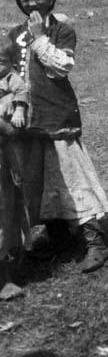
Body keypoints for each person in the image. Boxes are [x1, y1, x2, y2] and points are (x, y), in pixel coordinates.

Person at [8, 0, 108, 273]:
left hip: (57, 116)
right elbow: (8, 70)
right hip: (28, 121)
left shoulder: (61, 30)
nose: (32, 3)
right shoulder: (15, 36)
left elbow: (61, 67)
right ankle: (58, 238)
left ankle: (95, 241)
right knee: (39, 179)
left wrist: (40, 38)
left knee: (71, 175)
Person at [0, 37, 30, 295]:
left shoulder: (11, 82)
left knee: (4, 215)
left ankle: (4, 276)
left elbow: (11, 132)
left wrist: (15, 107)